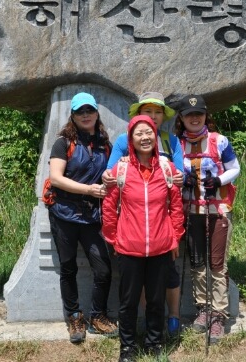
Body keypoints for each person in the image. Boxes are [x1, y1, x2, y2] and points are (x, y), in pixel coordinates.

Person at [102, 115, 185, 362]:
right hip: (129, 247)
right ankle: (127, 348)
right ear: (131, 139)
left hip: (161, 247)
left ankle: (154, 343)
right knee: (128, 302)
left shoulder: (167, 169)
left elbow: (176, 207)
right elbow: (109, 206)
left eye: (148, 132)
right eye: (139, 133)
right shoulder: (121, 169)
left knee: (156, 300)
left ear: (155, 137)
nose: (145, 137)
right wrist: (113, 238)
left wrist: (175, 237)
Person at [46, 92, 118, 343]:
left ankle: (97, 316)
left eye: (89, 110)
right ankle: (75, 317)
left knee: (103, 269)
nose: (85, 115)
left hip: (91, 216)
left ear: (97, 113)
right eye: (80, 111)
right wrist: (89, 190)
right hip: (63, 213)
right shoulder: (63, 143)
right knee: (68, 268)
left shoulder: (105, 145)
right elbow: (56, 178)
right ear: (73, 116)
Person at [175, 94, 240, 344]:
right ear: (182, 118)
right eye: (189, 115)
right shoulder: (177, 144)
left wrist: (219, 180)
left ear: (205, 116)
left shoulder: (219, 141)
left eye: (199, 114)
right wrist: (183, 178)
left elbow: (235, 168)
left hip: (217, 209)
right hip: (191, 210)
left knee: (217, 263)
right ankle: (203, 308)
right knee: (198, 263)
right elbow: (170, 171)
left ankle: (218, 315)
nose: (194, 118)